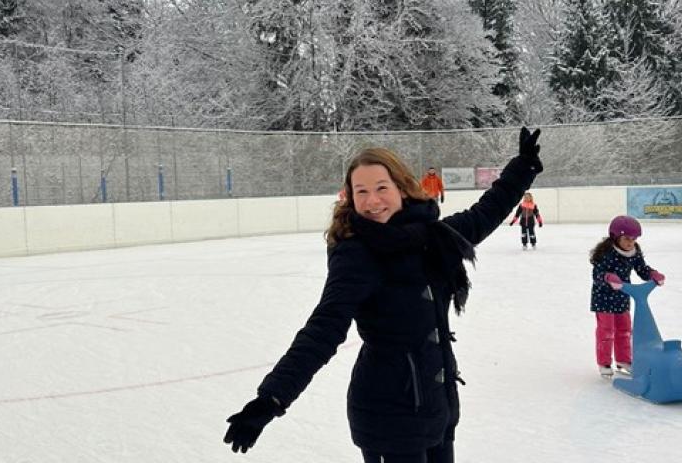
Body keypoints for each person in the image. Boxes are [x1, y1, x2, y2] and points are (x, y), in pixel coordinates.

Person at [223, 128, 544, 462]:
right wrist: (271, 399)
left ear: (402, 189)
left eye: (380, 188)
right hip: (387, 420)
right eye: (361, 191)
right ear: (349, 197)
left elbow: (485, 213)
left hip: (436, 407)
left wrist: (523, 167)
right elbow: (324, 327)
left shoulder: (433, 236)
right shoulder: (356, 254)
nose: (371, 200)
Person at [589, 215, 665, 377]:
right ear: (615, 237)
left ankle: (623, 360)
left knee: (624, 330)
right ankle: (604, 363)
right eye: (626, 238)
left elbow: (641, 269)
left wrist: (652, 274)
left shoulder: (634, 252)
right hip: (603, 297)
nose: (630, 242)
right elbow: (597, 274)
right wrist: (608, 278)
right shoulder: (607, 253)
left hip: (623, 295)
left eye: (634, 239)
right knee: (606, 330)